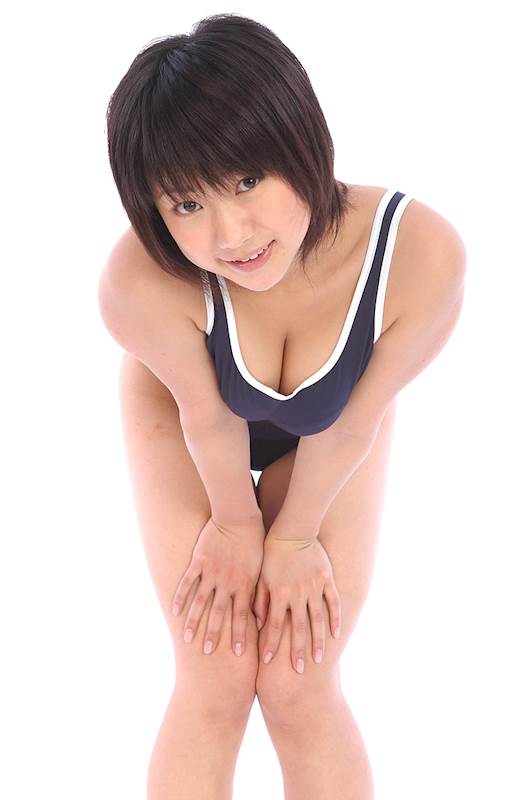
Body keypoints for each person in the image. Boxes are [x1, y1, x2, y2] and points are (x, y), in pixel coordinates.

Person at [99, 13, 466, 800]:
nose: (230, 233)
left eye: (246, 181)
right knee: (217, 670)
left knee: (298, 678)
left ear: (301, 137)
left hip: (334, 424)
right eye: (186, 204)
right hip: (186, 411)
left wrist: (292, 537)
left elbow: (355, 421)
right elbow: (207, 418)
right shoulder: (137, 285)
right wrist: (236, 526)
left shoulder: (419, 256)